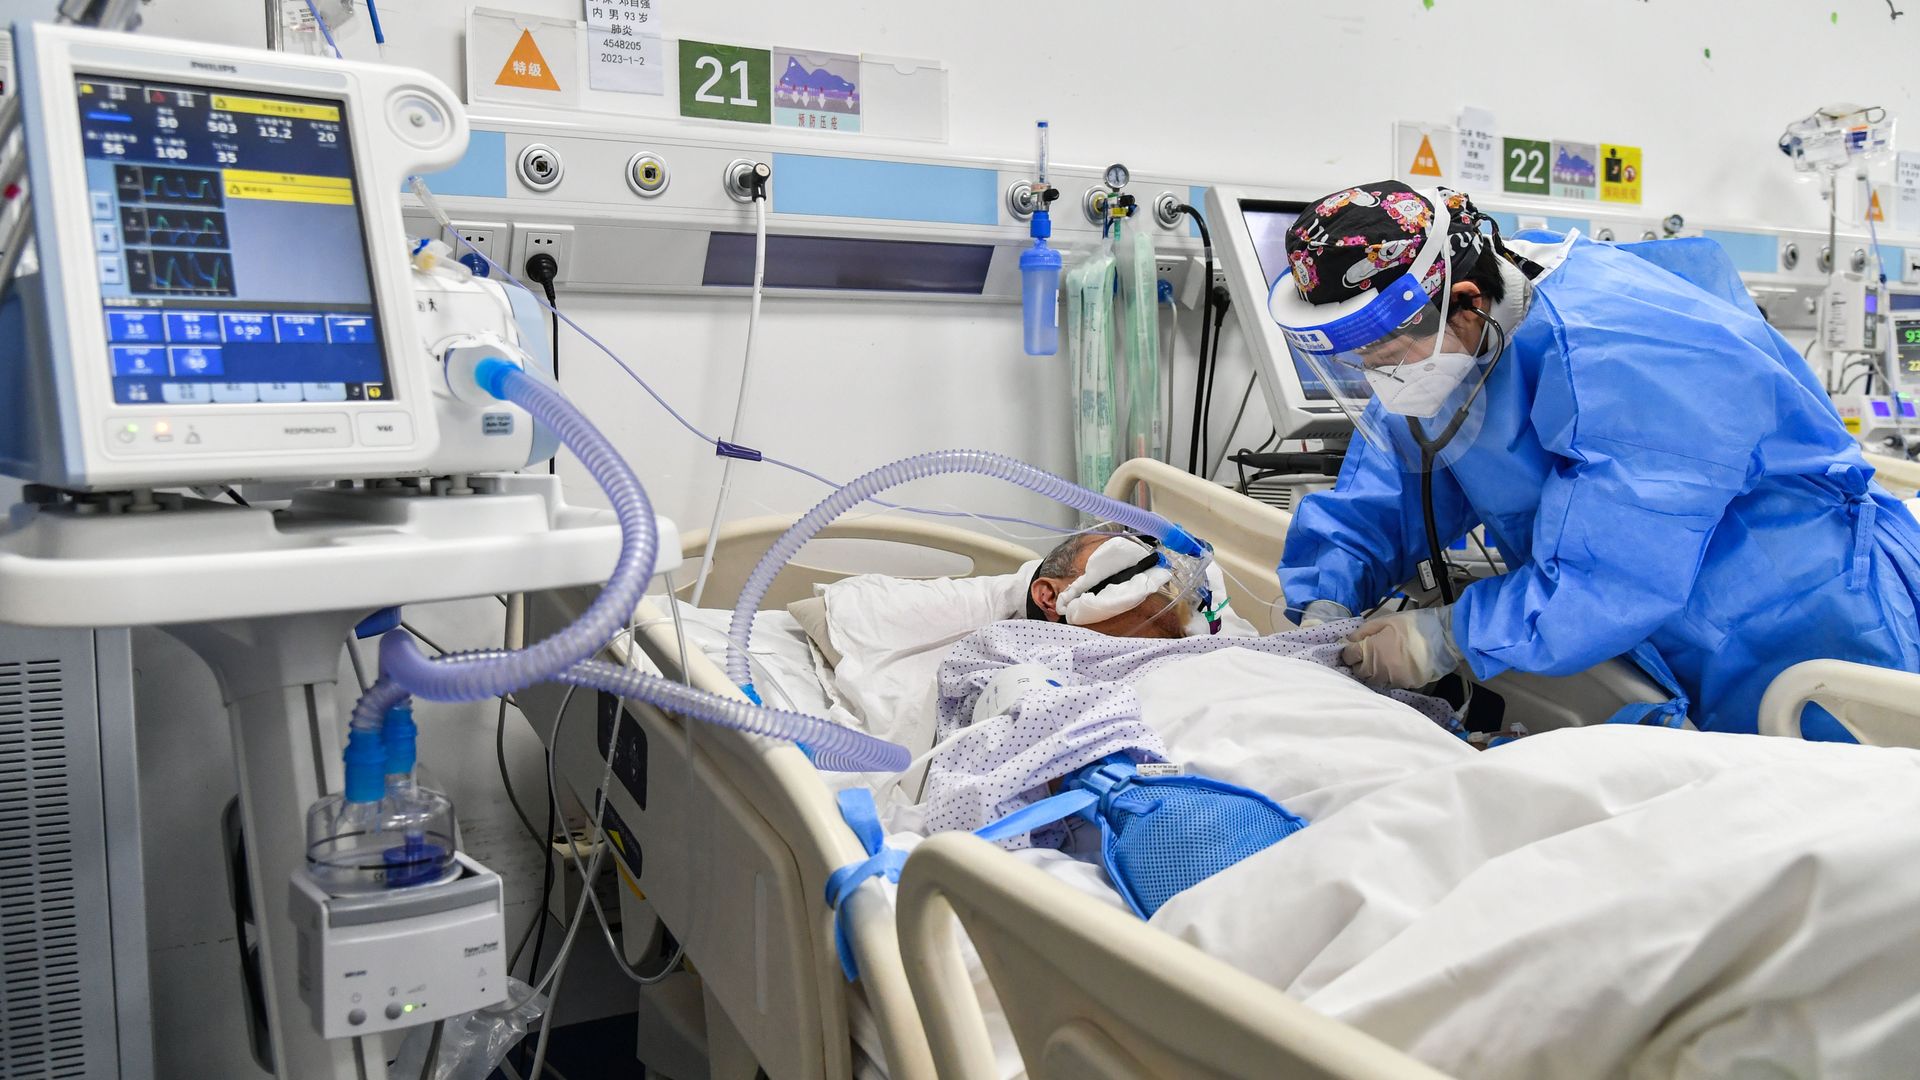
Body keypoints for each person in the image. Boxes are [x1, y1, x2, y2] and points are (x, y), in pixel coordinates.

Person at [1267, 181, 1920, 736]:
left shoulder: (1624, 350)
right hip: (1651, 631)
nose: (1381, 384)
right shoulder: (1441, 345)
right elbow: (1387, 492)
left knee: (1856, 841)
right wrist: (1326, 601)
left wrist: (1445, 637)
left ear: (1467, 304)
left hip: (1798, 616)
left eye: (1384, 361)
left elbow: (1613, 571)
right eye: (1362, 367)